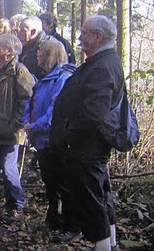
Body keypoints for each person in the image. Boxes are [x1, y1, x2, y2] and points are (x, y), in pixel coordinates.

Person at [50, 15, 123, 251]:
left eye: (85, 33)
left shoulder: (103, 66)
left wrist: (69, 137)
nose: (80, 37)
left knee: (91, 203)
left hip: (86, 148)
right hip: (87, 147)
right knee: (100, 198)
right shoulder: (101, 61)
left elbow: (94, 113)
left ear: (98, 37)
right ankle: (109, 243)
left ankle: (103, 246)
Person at [22, 40, 78, 239]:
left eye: (40, 52)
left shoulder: (63, 78)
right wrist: (27, 123)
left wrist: (35, 126)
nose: (37, 55)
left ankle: (70, 225)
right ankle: (53, 217)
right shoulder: (44, 79)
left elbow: (55, 112)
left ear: (49, 55)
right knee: (50, 182)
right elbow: (34, 102)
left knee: (63, 184)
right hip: (43, 141)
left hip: (57, 140)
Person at [0, 33, 35, 223]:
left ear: (9, 52)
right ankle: (10, 203)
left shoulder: (19, 72)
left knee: (8, 167)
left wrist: (17, 123)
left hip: (11, 131)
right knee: (3, 167)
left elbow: (27, 99)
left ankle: (17, 206)